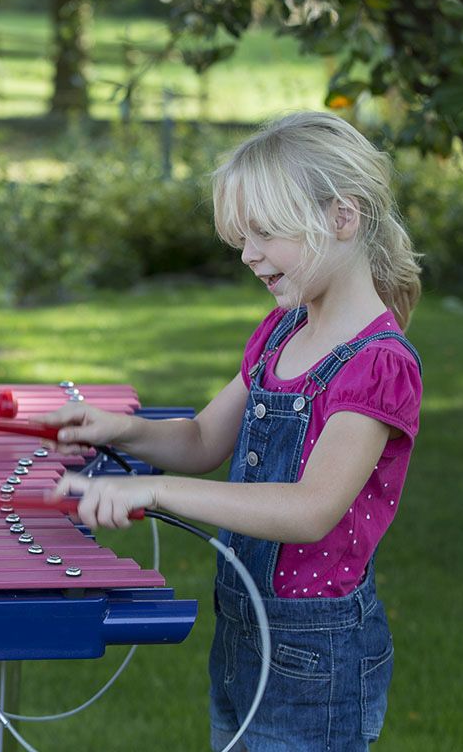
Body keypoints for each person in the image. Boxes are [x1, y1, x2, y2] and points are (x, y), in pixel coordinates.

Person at [37, 112, 423, 751]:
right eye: (241, 238)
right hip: (245, 626)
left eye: (266, 234)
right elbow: (200, 441)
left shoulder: (377, 365)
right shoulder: (282, 332)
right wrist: (120, 431)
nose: (248, 255)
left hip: (316, 656)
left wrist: (154, 493)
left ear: (342, 217)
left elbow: (309, 511)